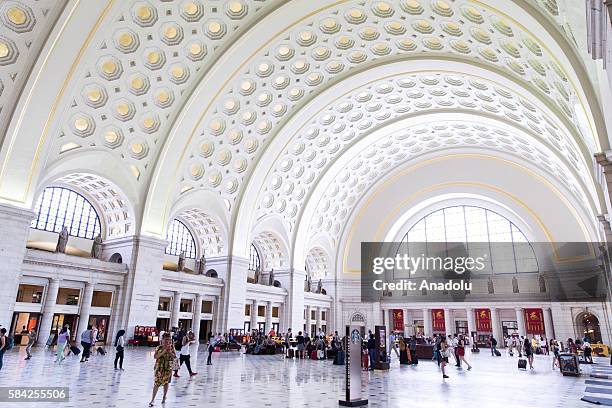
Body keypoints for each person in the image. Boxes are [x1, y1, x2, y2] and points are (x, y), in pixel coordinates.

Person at [149, 333, 176, 406]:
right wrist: (164, 351)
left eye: (169, 340)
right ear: (162, 340)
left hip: (168, 368)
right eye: (166, 340)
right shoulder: (159, 347)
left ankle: (164, 397)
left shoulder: (172, 347)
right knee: (156, 383)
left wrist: (170, 352)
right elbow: (155, 356)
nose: (167, 341)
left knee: (166, 383)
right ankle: (152, 400)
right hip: (159, 368)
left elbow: (174, 357)